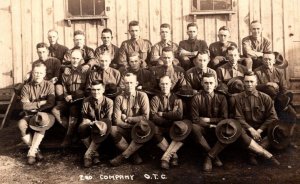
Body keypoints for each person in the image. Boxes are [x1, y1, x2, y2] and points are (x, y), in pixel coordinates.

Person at [234, 72, 279, 165]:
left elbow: (273, 117)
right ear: (243, 82)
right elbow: (238, 117)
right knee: (238, 131)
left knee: (276, 129)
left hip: (262, 130)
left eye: (251, 81)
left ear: (256, 82)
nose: (249, 84)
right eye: (247, 81)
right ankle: (265, 154)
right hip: (247, 131)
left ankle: (252, 153)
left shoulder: (265, 98)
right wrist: (251, 130)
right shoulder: (238, 98)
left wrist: (259, 130)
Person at [18, 61, 55, 165]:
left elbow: (50, 103)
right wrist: (40, 103)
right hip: (30, 114)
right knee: (21, 124)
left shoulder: (49, 85)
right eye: (35, 73)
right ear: (32, 73)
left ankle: (31, 154)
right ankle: (35, 150)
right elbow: (24, 106)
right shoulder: (26, 87)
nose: (37, 75)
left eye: (40, 73)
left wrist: (35, 107)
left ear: (44, 74)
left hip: (45, 115)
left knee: (40, 120)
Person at [109, 73, 150, 166]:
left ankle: (123, 156)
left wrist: (129, 119)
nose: (129, 85)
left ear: (136, 83)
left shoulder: (142, 96)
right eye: (127, 83)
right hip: (125, 128)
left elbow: (145, 117)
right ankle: (134, 155)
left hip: (139, 129)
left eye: (131, 82)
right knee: (112, 129)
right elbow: (117, 120)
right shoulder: (119, 98)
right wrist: (128, 125)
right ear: (123, 84)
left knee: (146, 128)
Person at [52, 49, 89, 148]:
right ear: (70, 58)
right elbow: (64, 88)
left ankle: (68, 137)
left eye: (77, 58)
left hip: (81, 100)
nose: (75, 60)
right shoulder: (66, 72)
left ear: (81, 59)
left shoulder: (86, 71)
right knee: (55, 110)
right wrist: (66, 96)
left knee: (73, 109)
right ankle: (74, 132)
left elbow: (87, 89)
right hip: (68, 99)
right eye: (73, 58)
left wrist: (75, 96)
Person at [150, 75, 187, 170]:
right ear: (159, 85)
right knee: (153, 129)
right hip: (162, 125)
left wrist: (163, 114)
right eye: (162, 84)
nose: (164, 86)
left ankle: (165, 158)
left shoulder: (177, 98)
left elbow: (179, 115)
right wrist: (168, 119)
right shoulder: (155, 99)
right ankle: (174, 156)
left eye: (166, 84)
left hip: (174, 126)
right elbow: (154, 116)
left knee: (183, 128)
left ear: (170, 85)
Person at [78, 80, 114, 167]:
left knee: (100, 128)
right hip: (90, 125)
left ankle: (87, 156)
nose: (96, 92)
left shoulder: (109, 102)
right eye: (93, 90)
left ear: (103, 90)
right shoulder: (86, 101)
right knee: (81, 127)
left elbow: (108, 120)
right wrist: (89, 123)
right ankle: (95, 155)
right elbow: (85, 117)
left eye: (98, 89)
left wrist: (97, 124)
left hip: (104, 127)